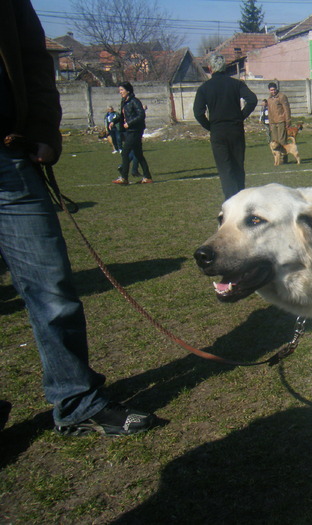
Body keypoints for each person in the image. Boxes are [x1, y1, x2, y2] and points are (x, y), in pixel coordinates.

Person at [0, 0, 156, 436]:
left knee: (52, 286)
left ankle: (77, 401)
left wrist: (45, 129)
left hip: (9, 158)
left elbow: (33, 59)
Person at [193, 54, 257, 198]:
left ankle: (231, 200)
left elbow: (198, 112)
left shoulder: (204, 88)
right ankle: (241, 198)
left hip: (218, 131)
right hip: (236, 129)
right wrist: (241, 116)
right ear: (225, 67)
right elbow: (252, 100)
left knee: (225, 169)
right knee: (238, 166)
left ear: (210, 68)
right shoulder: (236, 84)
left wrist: (210, 126)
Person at [109, 82, 152, 185]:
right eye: (119, 90)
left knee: (125, 152)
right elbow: (121, 115)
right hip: (129, 131)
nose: (120, 92)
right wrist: (113, 121)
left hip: (135, 131)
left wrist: (129, 123)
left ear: (128, 90)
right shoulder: (124, 102)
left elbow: (141, 115)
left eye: (122, 90)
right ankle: (147, 177)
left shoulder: (134, 101)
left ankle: (124, 178)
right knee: (138, 154)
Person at [266, 82, 291, 162]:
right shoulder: (269, 99)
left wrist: (288, 121)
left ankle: (284, 158)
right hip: (273, 122)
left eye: (274, 89)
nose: (273, 91)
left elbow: (286, 109)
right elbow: (269, 112)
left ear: (276, 89)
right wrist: (270, 123)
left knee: (282, 140)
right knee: (275, 142)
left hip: (281, 121)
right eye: (271, 90)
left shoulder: (282, 97)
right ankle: (278, 159)